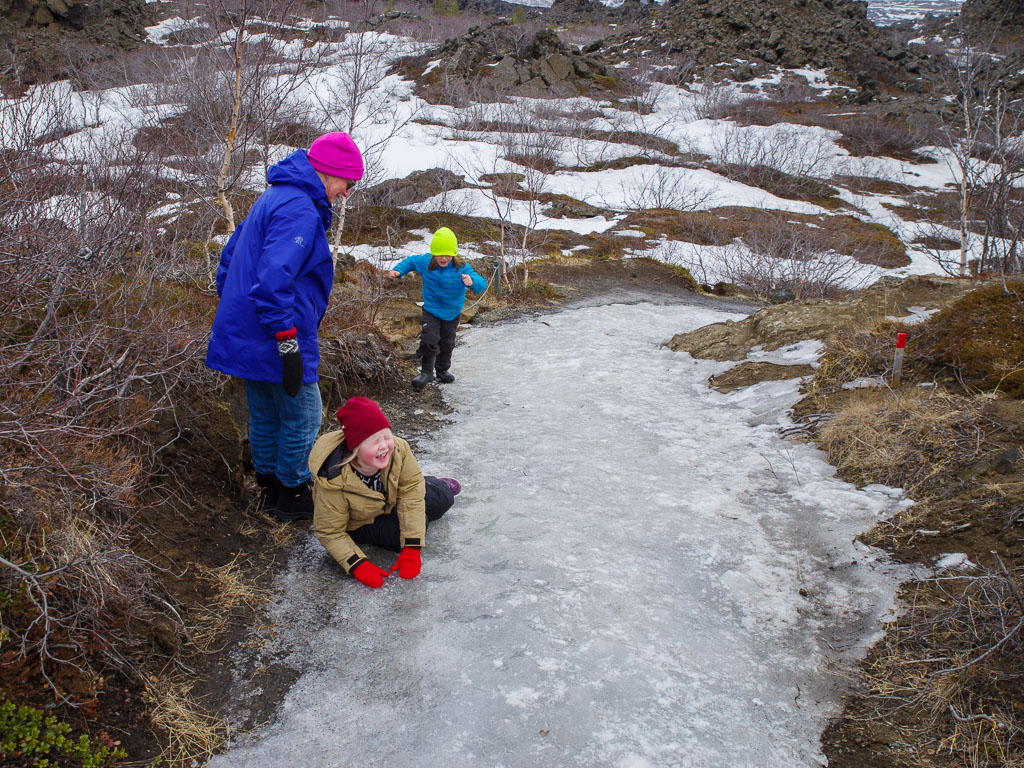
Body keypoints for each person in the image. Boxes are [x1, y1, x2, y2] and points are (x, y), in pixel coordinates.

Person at [205, 132, 364, 522]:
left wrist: (239, 309)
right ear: (327, 172)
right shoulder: (300, 208)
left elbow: (229, 258)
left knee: (265, 412)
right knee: (303, 414)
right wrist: (287, 341)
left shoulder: (275, 195)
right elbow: (275, 278)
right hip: (279, 332)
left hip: (252, 329)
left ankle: (270, 490)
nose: (346, 192)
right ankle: (292, 493)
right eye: (347, 183)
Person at [310, 396, 461, 588]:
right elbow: (330, 532)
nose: (384, 445)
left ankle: (433, 486)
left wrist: (412, 547)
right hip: (362, 522)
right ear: (355, 448)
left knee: (443, 498)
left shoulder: (398, 449)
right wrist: (357, 565)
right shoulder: (333, 480)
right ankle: (418, 512)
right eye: (374, 441)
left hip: (391, 500)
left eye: (386, 437)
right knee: (398, 535)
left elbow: (411, 491)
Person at [388, 227, 487, 390]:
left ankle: (442, 370)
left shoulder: (461, 267)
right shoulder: (426, 262)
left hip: (452, 312)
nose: (444, 258)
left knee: (447, 343)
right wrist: (398, 270)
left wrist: (472, 282)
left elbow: (481, 284)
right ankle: (426, 372)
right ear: (434, 253)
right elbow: (411, 261)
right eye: (440, 254)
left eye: (448, 254)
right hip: (432, 310)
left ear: (453, 253)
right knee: (429, 339)